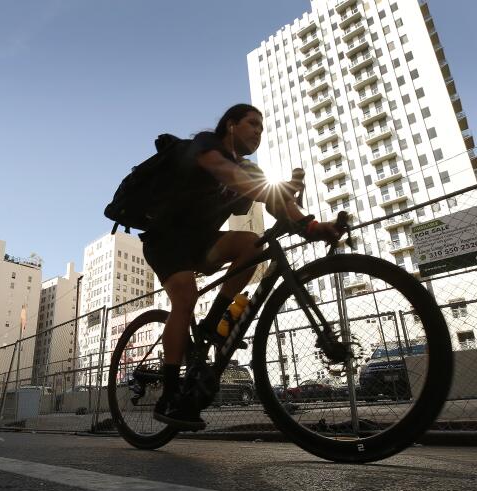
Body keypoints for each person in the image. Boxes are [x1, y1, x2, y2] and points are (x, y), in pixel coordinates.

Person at [140, 103, 343, 430]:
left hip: (203, 242)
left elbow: (280, 202)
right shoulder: (207, 144)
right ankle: (169, 392)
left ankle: (213, 322)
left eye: (262, 128)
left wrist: (312, 226)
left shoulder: (250, 170)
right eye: (252, 124)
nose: (258, 132)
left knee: (251, 241)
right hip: (166, 240)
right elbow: (222, 170)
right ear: (231, 126)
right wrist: (274, 194)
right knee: (185, 298)